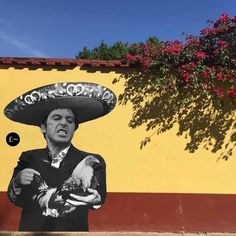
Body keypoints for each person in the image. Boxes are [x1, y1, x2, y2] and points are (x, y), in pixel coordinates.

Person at [4, 82, 116, 231]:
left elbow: (98, 201)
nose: (64, 123)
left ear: (74, 128)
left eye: (70, 120)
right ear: (43, 127)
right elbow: (15, 199)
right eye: (57, 118)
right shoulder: (29, 157)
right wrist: (16, 183)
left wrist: (96, 200)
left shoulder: (93, 160)